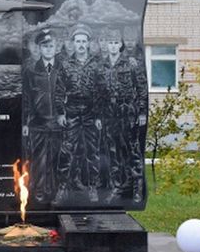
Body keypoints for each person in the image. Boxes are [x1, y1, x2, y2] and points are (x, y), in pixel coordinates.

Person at [98, 27, 148, 204]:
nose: (112, 46)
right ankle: (117, 187)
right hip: (109, 113)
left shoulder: (131, 64)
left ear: (120, 45)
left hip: (127, 111)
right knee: (113, 151)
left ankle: (137, 190)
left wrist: (142, 112)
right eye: (110, 43)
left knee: (132, 150)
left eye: (115, 43)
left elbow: (142, 89)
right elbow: (99, 93)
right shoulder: (102, 65)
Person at [53, 24, 102, 204]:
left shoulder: (97, 64)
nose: (80, 44)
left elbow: (101, 91)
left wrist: (98, 116)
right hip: (72, 111)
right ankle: (62, 188)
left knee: (93, 152)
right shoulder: (66, 65)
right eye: (77, 41)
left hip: (90, 112)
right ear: (72, 43)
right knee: (66, 150)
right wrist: (60, 113)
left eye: (84, 41)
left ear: (88, 43)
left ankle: (92, 188)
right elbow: (59, 91)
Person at [22, 29, 63, 203]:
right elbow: (26, 99)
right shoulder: (31, 72)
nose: (48, 49)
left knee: (56, 159)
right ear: (39, 48)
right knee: (39, 160)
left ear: (56, 48)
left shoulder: (62, 70)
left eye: (51, 46)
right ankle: (38, 192)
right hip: (38, 123)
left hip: (58, 123)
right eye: (44, 46)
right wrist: (25, 122)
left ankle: (53, 193)